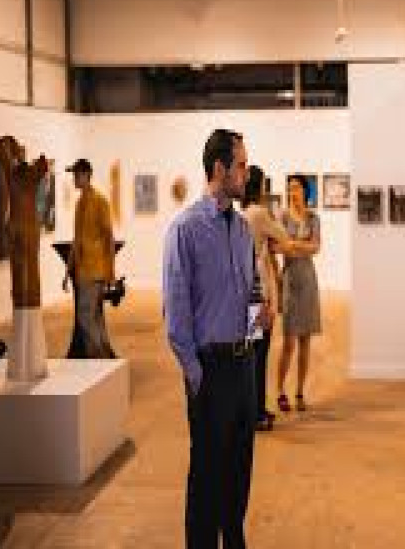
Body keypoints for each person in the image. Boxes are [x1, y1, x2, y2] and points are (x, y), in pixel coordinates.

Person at [163, 129, 270, 549]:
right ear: (220, 168)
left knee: (239, 474)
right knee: (207, 480)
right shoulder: (185, 230)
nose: (247, 172)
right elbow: (176, 315)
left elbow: (251, 293)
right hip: (210, 371)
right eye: (241, 165)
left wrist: (259, 319)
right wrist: (196, 375)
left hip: (244, 367)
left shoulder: (242, 230)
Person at [241, 165, 300, 431]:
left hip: (247, 290)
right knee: (259, 354)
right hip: (259, 292)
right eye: (264, 184)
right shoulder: (259, 213)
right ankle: (256, 414)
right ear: (259, 186)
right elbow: (284, 236)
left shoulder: (242, 212)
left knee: (253, 353)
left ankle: (256, 409)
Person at [0, 135, 49, 381]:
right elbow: (2, 148)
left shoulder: (24, 177)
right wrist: (14, 151)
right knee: (22, 292)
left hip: (24, 234)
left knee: (28, 291)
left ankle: (29, 363)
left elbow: (40, 164)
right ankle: (27, 363)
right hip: (23, 234)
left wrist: (13, 152)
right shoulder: (22, 176)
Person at [277, 174, 321, 413]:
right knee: (289, 342)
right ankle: (280, 390)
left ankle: (300, 391)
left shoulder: (313, 218)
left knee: (305, 341)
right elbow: (277, 246)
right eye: (289, 188)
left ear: (305, 191)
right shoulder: (283, 217)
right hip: (290, 280)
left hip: (308, 281)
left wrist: (293, 245)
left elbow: (316, 247)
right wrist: (300, 246)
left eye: (296, 188)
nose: (292, 192)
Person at [64, 158, 116, 359]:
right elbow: (76, 239)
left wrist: (110, 272)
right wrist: (68, 271)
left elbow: (109, 238)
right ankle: (104, 361)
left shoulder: (100, 202)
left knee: (86, 317)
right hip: (82, 271)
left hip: (95, 270)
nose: (74, 179)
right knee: (94, 317)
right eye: (74, 175)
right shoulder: (80, 203)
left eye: (77, 175)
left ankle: (99, 359)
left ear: (87, 175)